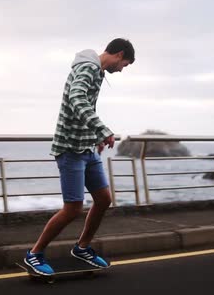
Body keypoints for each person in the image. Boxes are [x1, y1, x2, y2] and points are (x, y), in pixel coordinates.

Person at [24, 38, 135, 275]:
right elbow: (77, 99)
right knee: (73, 208)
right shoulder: (88, 67)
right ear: (120, 54)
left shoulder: (97, 71)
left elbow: (88, 108)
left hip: (86, 148)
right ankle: (34, 254)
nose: (122, 69)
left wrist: (95, 137)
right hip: (70, 150)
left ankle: (82, 247)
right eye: (125, 64)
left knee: (104, 199)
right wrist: (103, 131)